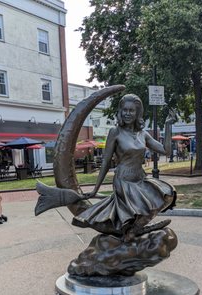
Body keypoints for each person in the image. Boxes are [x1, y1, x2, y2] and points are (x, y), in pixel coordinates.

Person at [72, 94, 175, 241]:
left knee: (167, 194)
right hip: (124, 181)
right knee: (141, 207)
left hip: (140, 178)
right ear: (120, 111)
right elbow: (106, 161)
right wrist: (96, 188)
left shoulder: (143, 134)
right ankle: (133, 231)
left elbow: (166, 150)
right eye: (124, 110)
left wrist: (168, 125)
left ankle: (135, 229)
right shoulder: (115, 132)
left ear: (137, 113)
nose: (127, 113)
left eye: (131, 110)